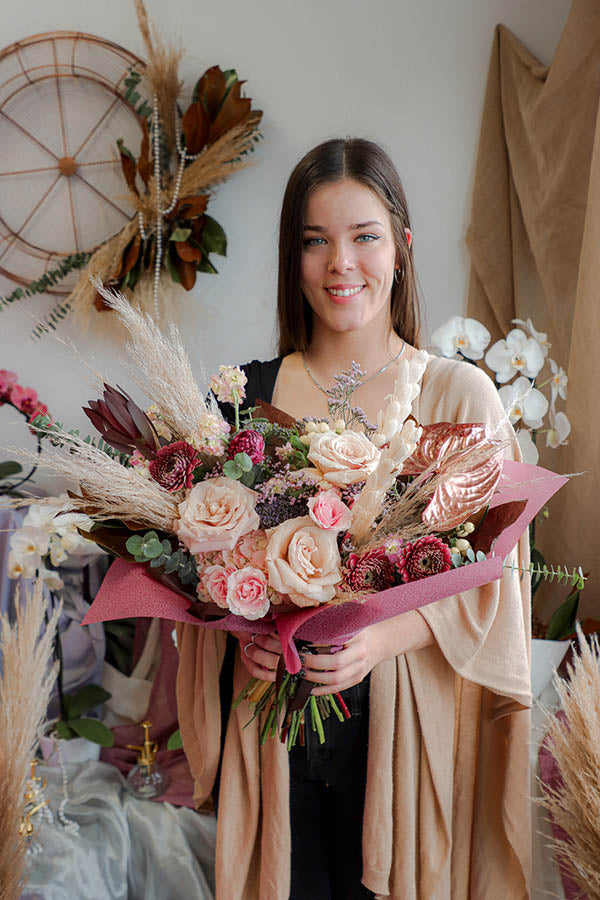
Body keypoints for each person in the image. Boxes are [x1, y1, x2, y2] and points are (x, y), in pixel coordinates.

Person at [176, 138, 532, 899]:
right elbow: (194, 573)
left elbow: (492, 577)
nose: (341, 263)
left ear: (401, 248)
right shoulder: (241, 403)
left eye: (364, 236)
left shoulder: (459, 399)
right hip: (272, 738)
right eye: (315, 241)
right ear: (293, 257)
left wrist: (380, 637)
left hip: (403, 738)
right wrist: (242, 633)